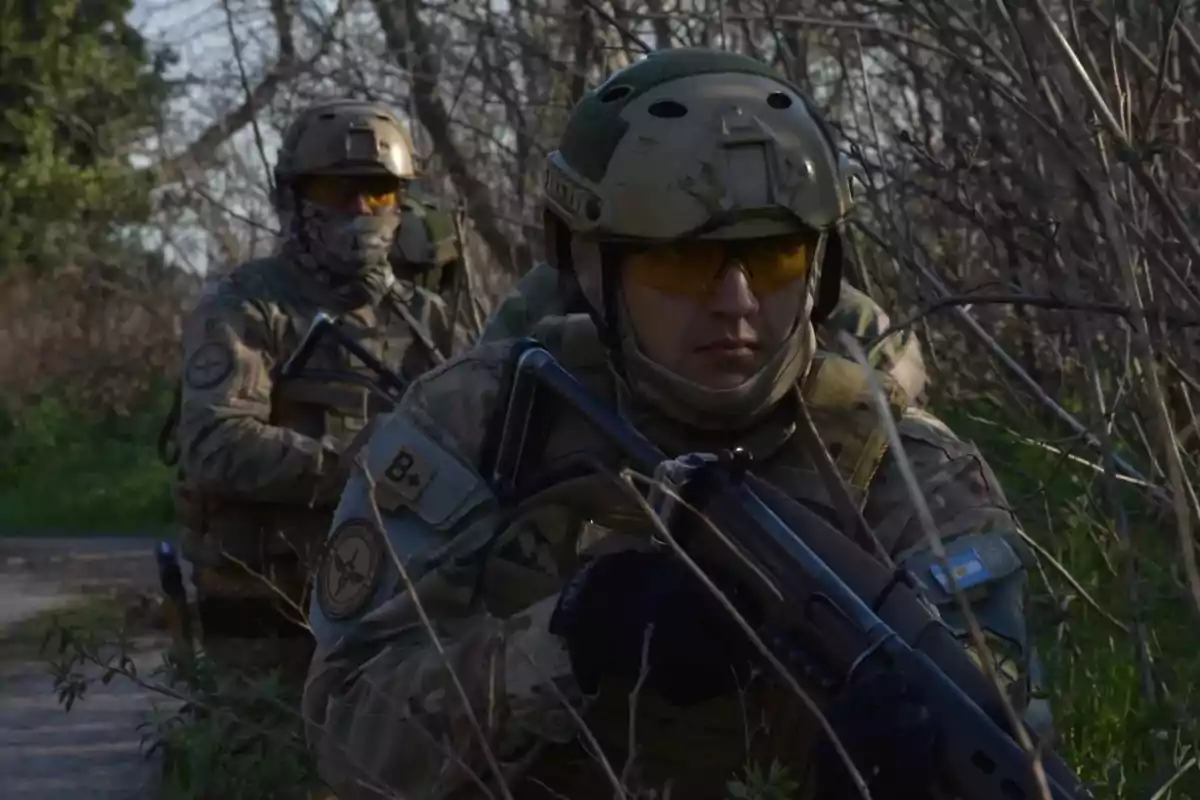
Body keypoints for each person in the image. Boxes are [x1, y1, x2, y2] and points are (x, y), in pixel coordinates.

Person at [302, 50, 1050, 800]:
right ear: (595, 270)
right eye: (683, 265)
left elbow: (1006, 734)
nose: (737, 301)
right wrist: (564, 640)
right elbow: (346, 730)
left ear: (823, 266)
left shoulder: (909, 470)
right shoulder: (483, 423)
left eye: (776, 256)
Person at [166, 98, 466, 688]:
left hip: (398, 601)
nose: (360, 209)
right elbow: (214, 440)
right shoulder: (248, 305)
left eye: (378, 192)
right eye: (336, 190)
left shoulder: (425, 318)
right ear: (294, 198)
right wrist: (357, 466)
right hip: (270, 602)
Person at [481, 259, 929, 399]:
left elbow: (898, 379)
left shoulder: (807, 280)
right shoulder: (563, 284)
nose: (737, 302)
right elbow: (488, 384)